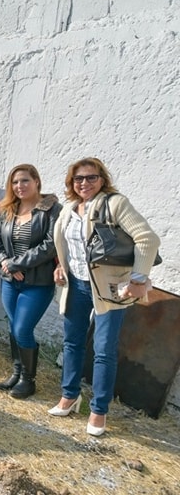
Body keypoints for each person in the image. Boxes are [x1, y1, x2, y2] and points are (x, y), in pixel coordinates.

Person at [49, 158, 160, 436]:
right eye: (78, 179)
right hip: (76, 285)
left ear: (102, 179)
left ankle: (99, 410)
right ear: (71, 182)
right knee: (72, 342)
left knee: (103, 350)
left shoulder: (115, 203)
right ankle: (70, 395)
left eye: (91, 178)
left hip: (108, 288)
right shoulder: (69, 209)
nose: (84, 183)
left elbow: (147, 239)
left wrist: (137, 279)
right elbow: (69, 245)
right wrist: (61, 266)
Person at [0, 164, 60, 399]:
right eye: (16, 182)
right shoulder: (8, 209)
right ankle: (17, 372)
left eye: (25, 181)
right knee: (12, 327)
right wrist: (6, 262)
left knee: (22, 329)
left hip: (37, 283)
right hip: (10, 280)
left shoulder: (51, 210)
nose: (20, 186)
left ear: (37, 181)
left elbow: (50, 246)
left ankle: (29, 381)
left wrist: (17, 264)